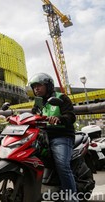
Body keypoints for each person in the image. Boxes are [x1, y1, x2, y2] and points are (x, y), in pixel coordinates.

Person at [29, 73, 77, 201]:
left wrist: (59, 119)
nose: (36, 89)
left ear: (48, 86)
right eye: (34, 87)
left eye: (39, 86)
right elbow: (32, 116)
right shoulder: (38, 102)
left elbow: (71, 116)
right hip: (42, 138)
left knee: (62, 165)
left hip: (61, 136)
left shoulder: (61, 98)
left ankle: (72, 198)